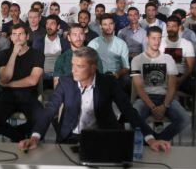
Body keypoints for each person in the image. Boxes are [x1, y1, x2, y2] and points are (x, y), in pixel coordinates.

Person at [18, 47, 170, 153]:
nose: (73, 70)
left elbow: (128, 110)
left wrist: (150, 138)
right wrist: (35, 137)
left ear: (93, 68)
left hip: (103, 136)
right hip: (71, 137)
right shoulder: (66, 82)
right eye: (73, 65)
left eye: (79, 66)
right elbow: (50, 110)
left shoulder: (108, 83)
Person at [131, 26, 191, 142]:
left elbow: (172, 86)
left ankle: (159, 139)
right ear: (147, 39)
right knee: (134, 117)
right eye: (154, 38)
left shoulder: (168, 58)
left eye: (159, 38)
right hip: (145, 98)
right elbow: (139, 87)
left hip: (165, 97)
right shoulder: (137, 60)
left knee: (185, 119)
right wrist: (153, 107)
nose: (157, 42)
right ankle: (153, 139)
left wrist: (165, 106)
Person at [0, 24, 44, 142]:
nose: (17, 38)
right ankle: (20, 138)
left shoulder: (37, 54)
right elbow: (5, 78)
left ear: (27, 36)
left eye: (21, 34)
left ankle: (17, 135)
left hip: (28, 95)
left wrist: (8, 85)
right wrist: (13, 54)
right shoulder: (4, 54)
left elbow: (33, 81)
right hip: (8, 96)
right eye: (14, 34)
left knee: (41, 120)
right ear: (11, 38)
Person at [88, 14, 130, 88]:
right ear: (100, 26)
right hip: (98, 77)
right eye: (105, 24)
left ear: (114, 25)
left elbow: (126, 67)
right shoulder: (93, 44)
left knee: (126, 79)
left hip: (116, 77)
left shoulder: (121, 44)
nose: (108, 27)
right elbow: (88, 64)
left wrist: (117, 74)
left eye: (110, 24)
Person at [161, 16, 196, 94]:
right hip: (163, 76)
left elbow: (190, 67)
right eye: (168, 26)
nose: (170, 29)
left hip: (181, 76)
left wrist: (181, 80)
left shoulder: (187, 44)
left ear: (179, 27)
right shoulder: (160, 42)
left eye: (173, 26)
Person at [31, 15, 70, 87]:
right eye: (47, 23)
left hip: (59, 74)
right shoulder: (39, 41)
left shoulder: (64, 43)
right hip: (43, 75)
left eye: (52, 23)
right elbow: (34, 61)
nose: (49, 26)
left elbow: (67, 62)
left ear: (58, 27)